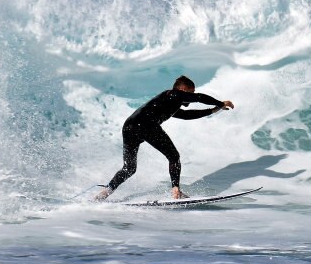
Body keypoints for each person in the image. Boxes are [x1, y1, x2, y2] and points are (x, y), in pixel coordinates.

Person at [95, 76, 234, 200]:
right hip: (145, 125)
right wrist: (220, 103)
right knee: (174, 156)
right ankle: (175, 191)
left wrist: (213, 110)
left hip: (129, 127)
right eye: (190, 92)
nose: (191, 98)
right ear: (183, 90)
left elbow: (187, 115)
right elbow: (199, 97)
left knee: (129, 168)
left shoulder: (169, 102)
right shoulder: (174, 94)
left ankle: (106, 191)